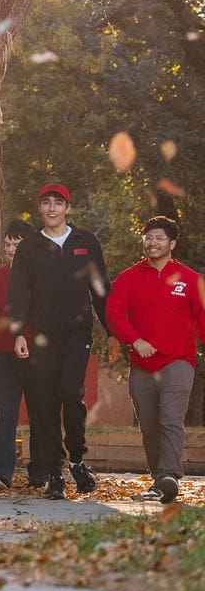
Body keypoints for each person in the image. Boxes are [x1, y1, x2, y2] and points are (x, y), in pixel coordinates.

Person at [7, 182, 110, 499]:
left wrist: (114, 333)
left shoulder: (86, 242)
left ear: (67, 207)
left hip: (77, 334)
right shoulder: (29, 248)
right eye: (46, 202)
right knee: (44, 402)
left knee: (70, 393)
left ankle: (77, 459)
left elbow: (101, 290)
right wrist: (17, 333)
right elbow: (18, 295)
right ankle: (54, 473)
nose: (52, 208)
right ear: (40, 208)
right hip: (39, 337)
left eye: (58, 203)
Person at [105, 216, 205, 504]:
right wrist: (134, 340)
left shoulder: (189, 279)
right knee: (149, 425)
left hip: (178, 361)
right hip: (142, 364)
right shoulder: (128, 278)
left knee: (171, 418)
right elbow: (114, 313)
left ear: (172, 243)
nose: (153, 242)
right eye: (148, 237)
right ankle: (159, 478)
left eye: (159, 237)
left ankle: (170, 475)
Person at [0, 218, 37, 490]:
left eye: (17, 244)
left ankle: (41, 473)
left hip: (36, 356)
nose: (11, 249)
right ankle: (2, 474)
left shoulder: (41, 275)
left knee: (40, 414)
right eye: (7, 244)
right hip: (3, 356)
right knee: (6, 415)